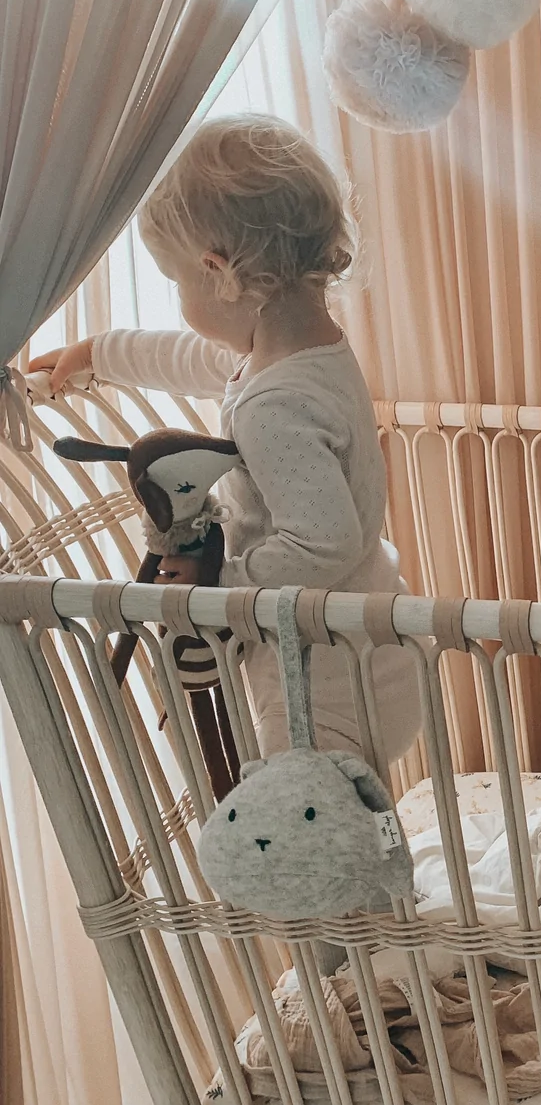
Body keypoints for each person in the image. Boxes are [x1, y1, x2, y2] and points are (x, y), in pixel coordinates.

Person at [32, 115, 421, 765]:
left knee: (305, 823)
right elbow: (199, 358)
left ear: (218, 272)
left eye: (178, 282)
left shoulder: (274, 405)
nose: (181, 298)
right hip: (369, 637)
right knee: (340, 818)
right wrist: (101, 351)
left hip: (324, 677)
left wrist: (220, 585)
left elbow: (323, 543)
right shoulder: (302, 354)